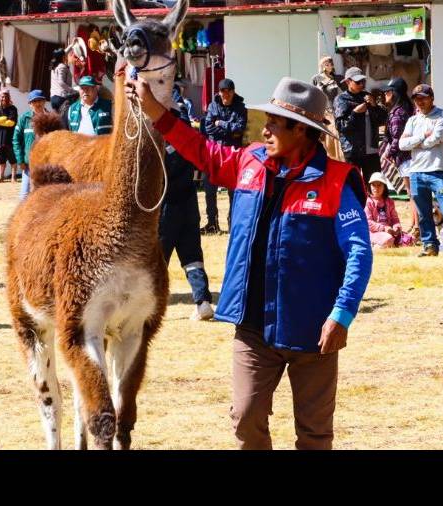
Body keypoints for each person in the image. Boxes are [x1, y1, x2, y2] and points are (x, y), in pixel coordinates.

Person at [126, 76, 372, 450]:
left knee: (315, 434)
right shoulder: (248, 162)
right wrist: (156, 112)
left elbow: (359, 251)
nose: (265, 128)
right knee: (245, 416)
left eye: (275, 122)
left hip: (314, 331)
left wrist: (342, 314)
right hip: (253, 328)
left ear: (302, 131)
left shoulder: (337, 182)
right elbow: (202, 150)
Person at [399, 84, 443, 257]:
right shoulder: (412, 120)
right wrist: (423, 136)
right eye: (416, 99)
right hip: (416, 172)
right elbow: (402, 144)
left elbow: (436, 139)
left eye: (423, 98)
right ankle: (429, 245)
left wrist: (416, 142)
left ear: (431, 98)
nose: (420, 102)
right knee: (423, 213)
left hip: (438, 170)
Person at [159, 111, 216, 322]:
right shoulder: (190, 146)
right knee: (192, 258)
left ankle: (152, 306)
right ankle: (203, 302)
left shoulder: (164, 150)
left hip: (168, 209)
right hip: (190, 206)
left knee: (158, 259)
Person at [202, 78, 247, 235]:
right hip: (214, 152)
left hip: (233, 153)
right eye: (222, 91)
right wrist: (229, 130)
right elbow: (208, 128)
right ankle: (212, 223)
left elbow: (239, 130)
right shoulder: (213, 106)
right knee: (209, 188)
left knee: (233, 191)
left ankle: (232, 222)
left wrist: (220, 123)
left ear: (233, 92)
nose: (225, 94)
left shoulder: (240, 108)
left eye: (228, 91)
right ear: (219, 92)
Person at [334, 66, 387, 183]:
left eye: (363, 81)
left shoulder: (368, 96)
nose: (362, 84)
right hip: (353, 152)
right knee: (354, 186)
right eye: (358, 82)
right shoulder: (341, 99)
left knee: (375, 185)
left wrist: (374, 106)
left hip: (371, 151)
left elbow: (383, 120)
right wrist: (355, 113)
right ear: (348, 81)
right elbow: (340, 126)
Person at [380, 77, 417, 233]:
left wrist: (388, 153)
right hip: (411, 156)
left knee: (412, 194)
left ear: (395, 93)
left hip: (405, 158)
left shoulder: (397, 113)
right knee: (414, 193)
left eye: (388, 91)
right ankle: (416, 224)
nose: (385, 94)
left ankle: (416, 227)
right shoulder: (408, 108)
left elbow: (397, 137)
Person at [14, 89, 48, 200]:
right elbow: (16, 140)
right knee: (24, 196)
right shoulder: (24, 119)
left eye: (40, 100)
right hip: (29, 165)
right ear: (30, 104)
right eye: (34, 101)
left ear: (44, 102)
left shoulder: (51, 118)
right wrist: (20, 160)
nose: (37, 104)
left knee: (45, 195)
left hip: (47, 164)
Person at [366, 172, 414, 248]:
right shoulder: (368, 202)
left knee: (410, 240)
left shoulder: (389, 201)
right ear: (370, 186)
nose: (376, 188)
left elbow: (395, 219)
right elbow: (368, 222)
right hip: (374, 232)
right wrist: (383, 228)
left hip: (390, 231)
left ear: (384, 187)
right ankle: (374, 245)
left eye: (379, 185)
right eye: (373, 185)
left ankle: (390, 244)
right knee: (388, 239)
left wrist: (396, 227)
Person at [0, 89, 19, 183]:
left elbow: (11, 123)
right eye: (2, 96)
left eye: (6, 96)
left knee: (12, 159)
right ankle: (1, 177)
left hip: (9, 137)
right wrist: (4, 118)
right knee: (1, 159)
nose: (4, 98)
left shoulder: (12, 109)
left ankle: (13, 177)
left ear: (9, 97)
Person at [49, 48, 77, 114]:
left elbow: (62, 53)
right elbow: (61, 82)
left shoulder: (53, 66)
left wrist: (72, 45)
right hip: (61, 97)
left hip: (53, 98)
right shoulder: (62, 66)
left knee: (57, 120)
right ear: (63, 57)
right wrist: (72, 90)